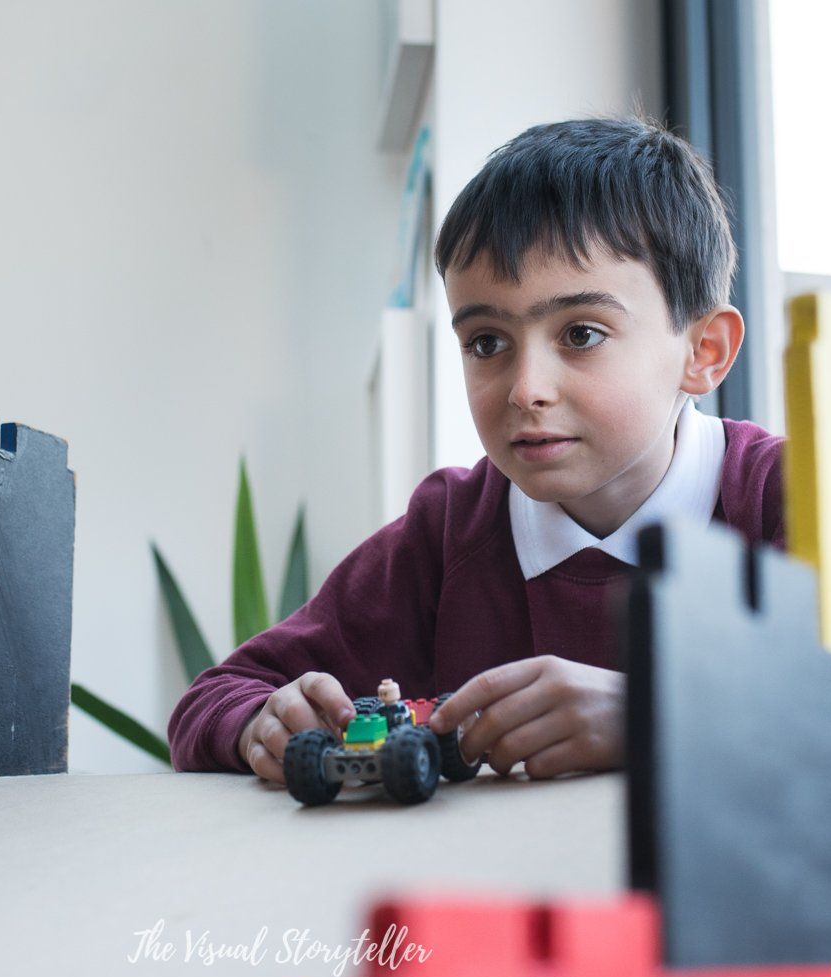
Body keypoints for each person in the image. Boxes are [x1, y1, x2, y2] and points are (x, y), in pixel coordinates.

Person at [167, 114, 785, 782]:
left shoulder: (788, 501)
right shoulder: (449, 531)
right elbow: (214, 698)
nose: (526, 389)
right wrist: (264, 724)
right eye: (486, 343)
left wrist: (656, 718)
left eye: (581, 333)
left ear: (704, 352)